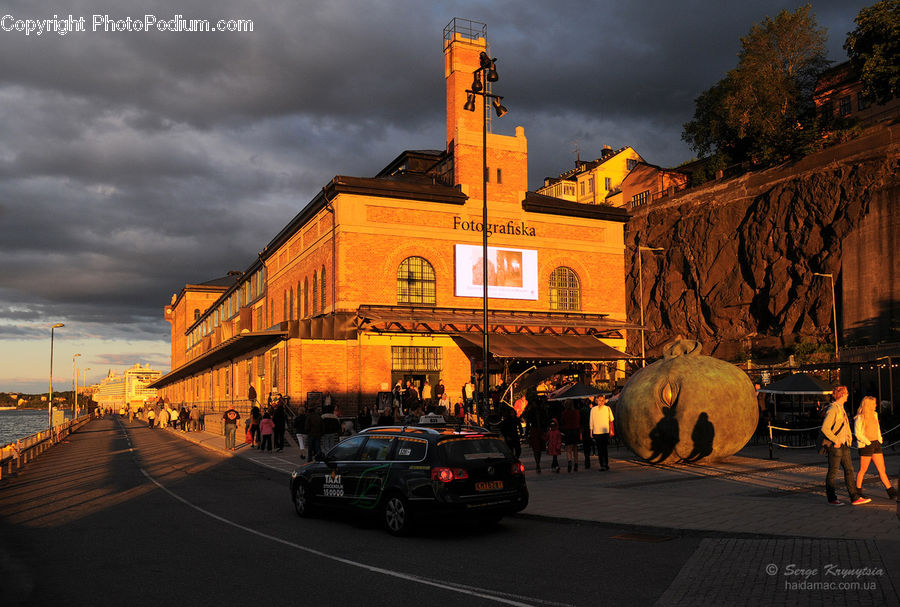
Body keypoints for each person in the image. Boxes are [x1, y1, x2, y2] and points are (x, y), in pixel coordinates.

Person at [822, 386, 869, 506]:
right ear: (841, 394)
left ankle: (854, 497)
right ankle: (832, 498)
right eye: (847, 393)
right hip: (836, 446)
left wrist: (849, 439)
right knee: (833, 472)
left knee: (849, 470)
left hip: (844, 445)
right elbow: (825, 428)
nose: (848, 395)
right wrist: (836, 440)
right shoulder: (833, 409)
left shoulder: (841, 408)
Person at [854, 396, 897, 500]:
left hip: (876, 444)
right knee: (863, 469)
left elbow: (877, 428)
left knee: (882, 469)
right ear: (868, 405)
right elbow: (857, 433)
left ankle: (891, 491)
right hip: (866, 445)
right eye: (874, 403)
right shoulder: (859, 417)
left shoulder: (875, 414)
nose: (876, 405)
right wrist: (868, 442)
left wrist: (879, 439)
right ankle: (858, 491)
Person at [590, 395, 615, 471]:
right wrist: (591, 431)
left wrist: (611, 430)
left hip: (605, 431)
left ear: (604, 401)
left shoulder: (607, 408)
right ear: (596, 401)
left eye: (602, 400)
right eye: (599, 400)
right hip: (597, 431)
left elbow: (611, 420)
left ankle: (606, 464)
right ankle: (602, 464)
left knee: (604, 449)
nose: (600, 402)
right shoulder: (593, 410)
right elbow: (591, 421)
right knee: (600, 449)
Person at [561, 401, 581, 472]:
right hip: (575, 430)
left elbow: (563, 421)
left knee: (569, 448)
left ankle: (569, 461)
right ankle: (576, 464)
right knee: (575, 448)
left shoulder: (564, 413)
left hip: (568, 431)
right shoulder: (577, 412)